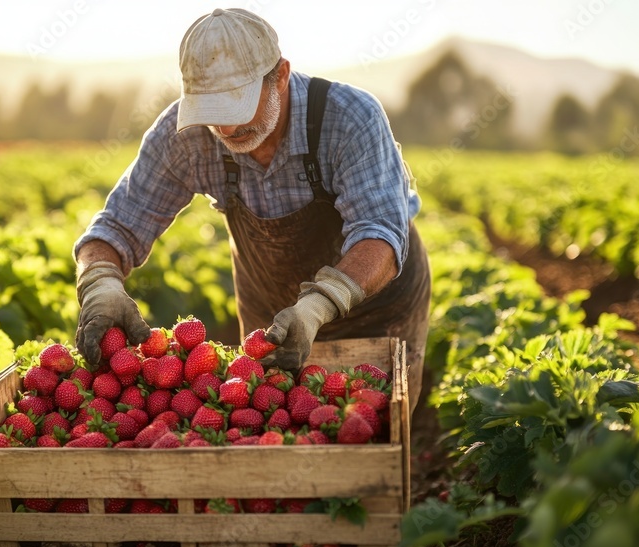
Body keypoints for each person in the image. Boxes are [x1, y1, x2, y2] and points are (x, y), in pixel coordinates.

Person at [73, 8, 432, 415]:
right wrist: (100, 280)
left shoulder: (349, 118)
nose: (225, 129)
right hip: (272, 319)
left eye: (235, 106)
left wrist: (319, 304)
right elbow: (116, 225)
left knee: (370, 431)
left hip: (376, 308)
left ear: (280, 74)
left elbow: (380, 234)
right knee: (272, 437)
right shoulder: (184, 137)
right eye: (211, 111)